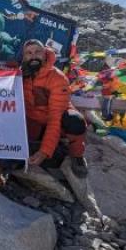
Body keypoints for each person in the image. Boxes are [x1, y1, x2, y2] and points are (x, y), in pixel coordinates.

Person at [21, 39, 88, 177]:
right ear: (24, 57)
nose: (33, 56)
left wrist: (44, 152)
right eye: (29, 53)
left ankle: (77, 155)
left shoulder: (58, 78)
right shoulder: (21, 75)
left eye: (37, 52)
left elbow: (55, 118)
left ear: (45, 54)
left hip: (55, 121)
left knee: (75, 121)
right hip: (33, 122)